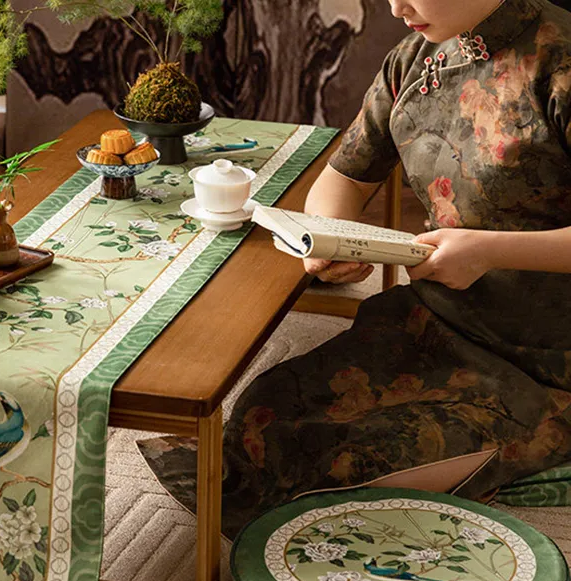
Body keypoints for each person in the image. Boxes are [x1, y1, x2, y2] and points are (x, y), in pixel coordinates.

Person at [139, 0, 571, 540]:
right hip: (434, 318)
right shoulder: (413, 59)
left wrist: (487, 251)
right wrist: (332, 237)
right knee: (264, 414)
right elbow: (344, 177)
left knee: (354, 464)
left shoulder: (561, 64)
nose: (396, 7)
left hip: (548, 356)